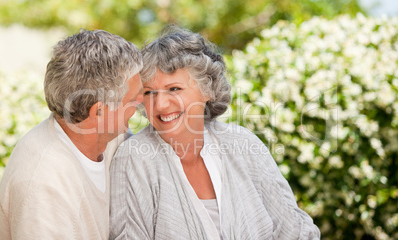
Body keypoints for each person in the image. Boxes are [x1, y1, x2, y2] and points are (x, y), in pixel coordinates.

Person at [109, 27, 320, 239]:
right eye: (149, 92)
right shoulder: (133, 159)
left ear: (207, 90)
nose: (161, 104)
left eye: (174, 89)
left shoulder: (243, 143)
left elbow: (296, 230)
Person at [0, 29, 143, 239]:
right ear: (99, 112)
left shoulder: (107, 138)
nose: (142, 104)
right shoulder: (44, 185)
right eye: (133, 100)